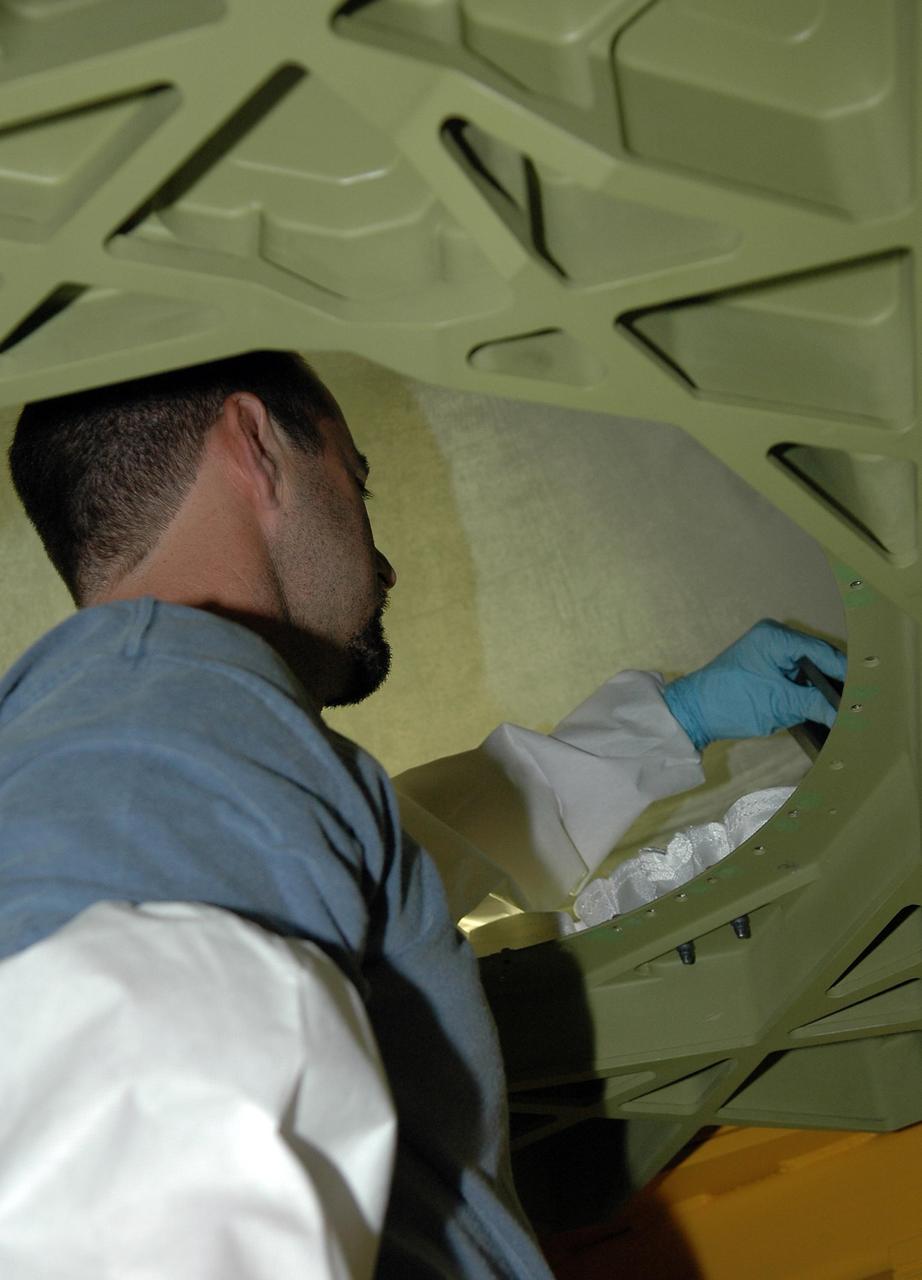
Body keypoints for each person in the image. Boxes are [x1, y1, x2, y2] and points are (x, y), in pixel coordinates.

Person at [0, 350, 846, 1279]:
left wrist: (673, 720)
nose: (386, 560)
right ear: (254, 445)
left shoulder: (177, 740)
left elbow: (416, 863)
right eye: (356, 483)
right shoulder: (143, 748)